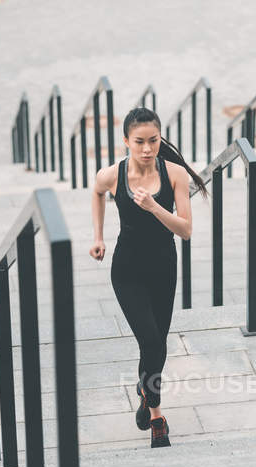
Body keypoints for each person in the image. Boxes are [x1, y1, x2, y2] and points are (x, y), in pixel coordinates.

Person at [89, 107, 208, 448]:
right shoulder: (113, 175)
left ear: (160, 139)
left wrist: (155, 207)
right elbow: (97, 193)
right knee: (151, 342)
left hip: (163, 269)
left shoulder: (175, 175)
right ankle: (156, 415)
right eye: (138, 142)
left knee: (157, 341)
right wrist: (97, 237)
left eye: (153, 141)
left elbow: (185, 230)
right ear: (126, 141)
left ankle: (144, 389)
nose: (146, 148)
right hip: (127, 271)